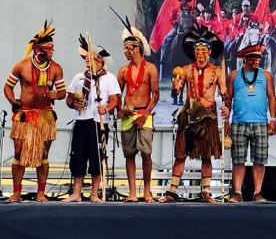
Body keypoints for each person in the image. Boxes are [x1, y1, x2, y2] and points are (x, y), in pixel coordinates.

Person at [160, 25, 227, 203]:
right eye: (198, 50)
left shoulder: (217, 70)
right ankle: (172, 191)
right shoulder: (185, 69)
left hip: (208, 115)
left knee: (206, 155)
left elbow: (225, 93)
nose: (201, 53)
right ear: (194, 52)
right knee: (181, 154)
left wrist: (227, 106)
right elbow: (176, 92)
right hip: (189, 114)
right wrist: (175, 88)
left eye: (204, 50)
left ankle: (206, 191)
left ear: (210, 51)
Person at [4, 21, 66, 202]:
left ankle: (41, 192)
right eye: (48, 48)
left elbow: (62, 92)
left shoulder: (55, 68)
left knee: (43, 154)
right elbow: (7, 87)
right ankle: (16, 193)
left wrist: (57, 94)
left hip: (45, 115)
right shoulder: (21, 65)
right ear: (38, 49)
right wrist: (13, 101)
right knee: (18, 152)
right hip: (24, 114)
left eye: (52, 48)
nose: (51, 51)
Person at [63, 35, 120, 203]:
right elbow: (69, 98)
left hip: (98, 123)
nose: (87, 61)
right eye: (86, 59)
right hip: (82, 121)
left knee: (97, 157)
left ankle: (95, 194)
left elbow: (115, 99)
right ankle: (76, 193)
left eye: (92, 58)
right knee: (78, 157)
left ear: (100, 60)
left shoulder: (109, 78)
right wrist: (74, 104)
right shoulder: (79, 77)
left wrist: (106, 108)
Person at [225, 43, 276, 203]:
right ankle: (237, 192)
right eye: (254, 57)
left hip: (260, 122)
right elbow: (228, 98)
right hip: (239, 122)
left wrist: (273, 119)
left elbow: (272, 97)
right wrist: (226, 119)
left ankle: (258, 192)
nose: (257, 60)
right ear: (245, 59)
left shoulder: (266, 76)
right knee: (238, 159)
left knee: (259, 159)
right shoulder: (234, 75)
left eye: (259, 57)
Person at [116, 21, 159, 203]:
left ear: (136, 48)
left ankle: (147, 191)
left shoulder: (150, 69)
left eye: (127, 48)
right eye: (124, 48)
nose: (125, 51)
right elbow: (117, 95)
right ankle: (133, 192)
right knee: (129, 154)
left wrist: (145, 115)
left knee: (146, 154)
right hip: (128, 115)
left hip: (145, 114)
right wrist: (120, 110)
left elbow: (155, 96)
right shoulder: (122, 70)